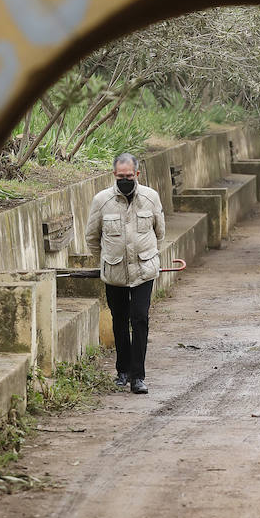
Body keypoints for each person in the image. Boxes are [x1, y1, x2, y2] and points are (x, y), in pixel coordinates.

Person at [84, 152, 165, 395]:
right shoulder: (102, 201)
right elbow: (92, 237)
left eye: (129, 176)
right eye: (121, 176)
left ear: (137, 174)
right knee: (119, 321)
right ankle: (123, 370)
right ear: (114, 175)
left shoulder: (151, 198)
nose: (125, 180)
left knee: (140, 319)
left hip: (143, 271)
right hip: (115, 271)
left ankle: (138, 376)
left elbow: (159, 233)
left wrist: (148, 256)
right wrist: (107, 258)